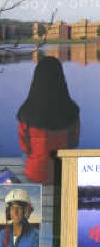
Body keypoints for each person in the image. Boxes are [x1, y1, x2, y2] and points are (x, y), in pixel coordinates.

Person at [17, 56, 80, 184]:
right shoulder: (71, 110)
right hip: (61, 172)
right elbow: (73, 142)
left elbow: (24, 146)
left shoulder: (27, 111)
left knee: (28, 155)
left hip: (35, 174)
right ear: (61, 78)